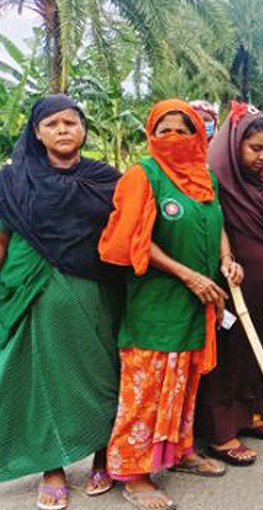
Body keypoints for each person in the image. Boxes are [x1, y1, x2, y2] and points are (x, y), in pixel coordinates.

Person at [99, 99, 244, 510]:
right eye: (164, 129)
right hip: (156, 304)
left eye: (184, 129)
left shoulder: (206, 179)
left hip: (197, 305)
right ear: (151, 134)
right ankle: (134, 472)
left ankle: (179, 452)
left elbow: (215, 223)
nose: (174, 137)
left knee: (183, 384)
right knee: (146, 387)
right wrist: (189, 275)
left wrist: (225, 260)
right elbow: (135, 241)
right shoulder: (142, 176)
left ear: (199, 135)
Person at [0, 95, 121, 510]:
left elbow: (129, 232)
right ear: (36, 133)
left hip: (97, 292)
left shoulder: (105, 178)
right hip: (34, 291)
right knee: (46, 382)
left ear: (84, 129)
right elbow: (3, 238)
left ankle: (104, 455)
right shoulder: (13, 181)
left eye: (70, 122)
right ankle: (52, 466)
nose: (63, 130)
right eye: (51, 124)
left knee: (103, 375)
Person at [195, 101, 263, 467]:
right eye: (255, 149)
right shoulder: (218, 178)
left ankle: (249, 415)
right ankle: (220, 432)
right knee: (230, 352)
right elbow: (211, 223)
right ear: (233, 146)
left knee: (258, 349)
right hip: (234, 283)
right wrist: (227, 258)